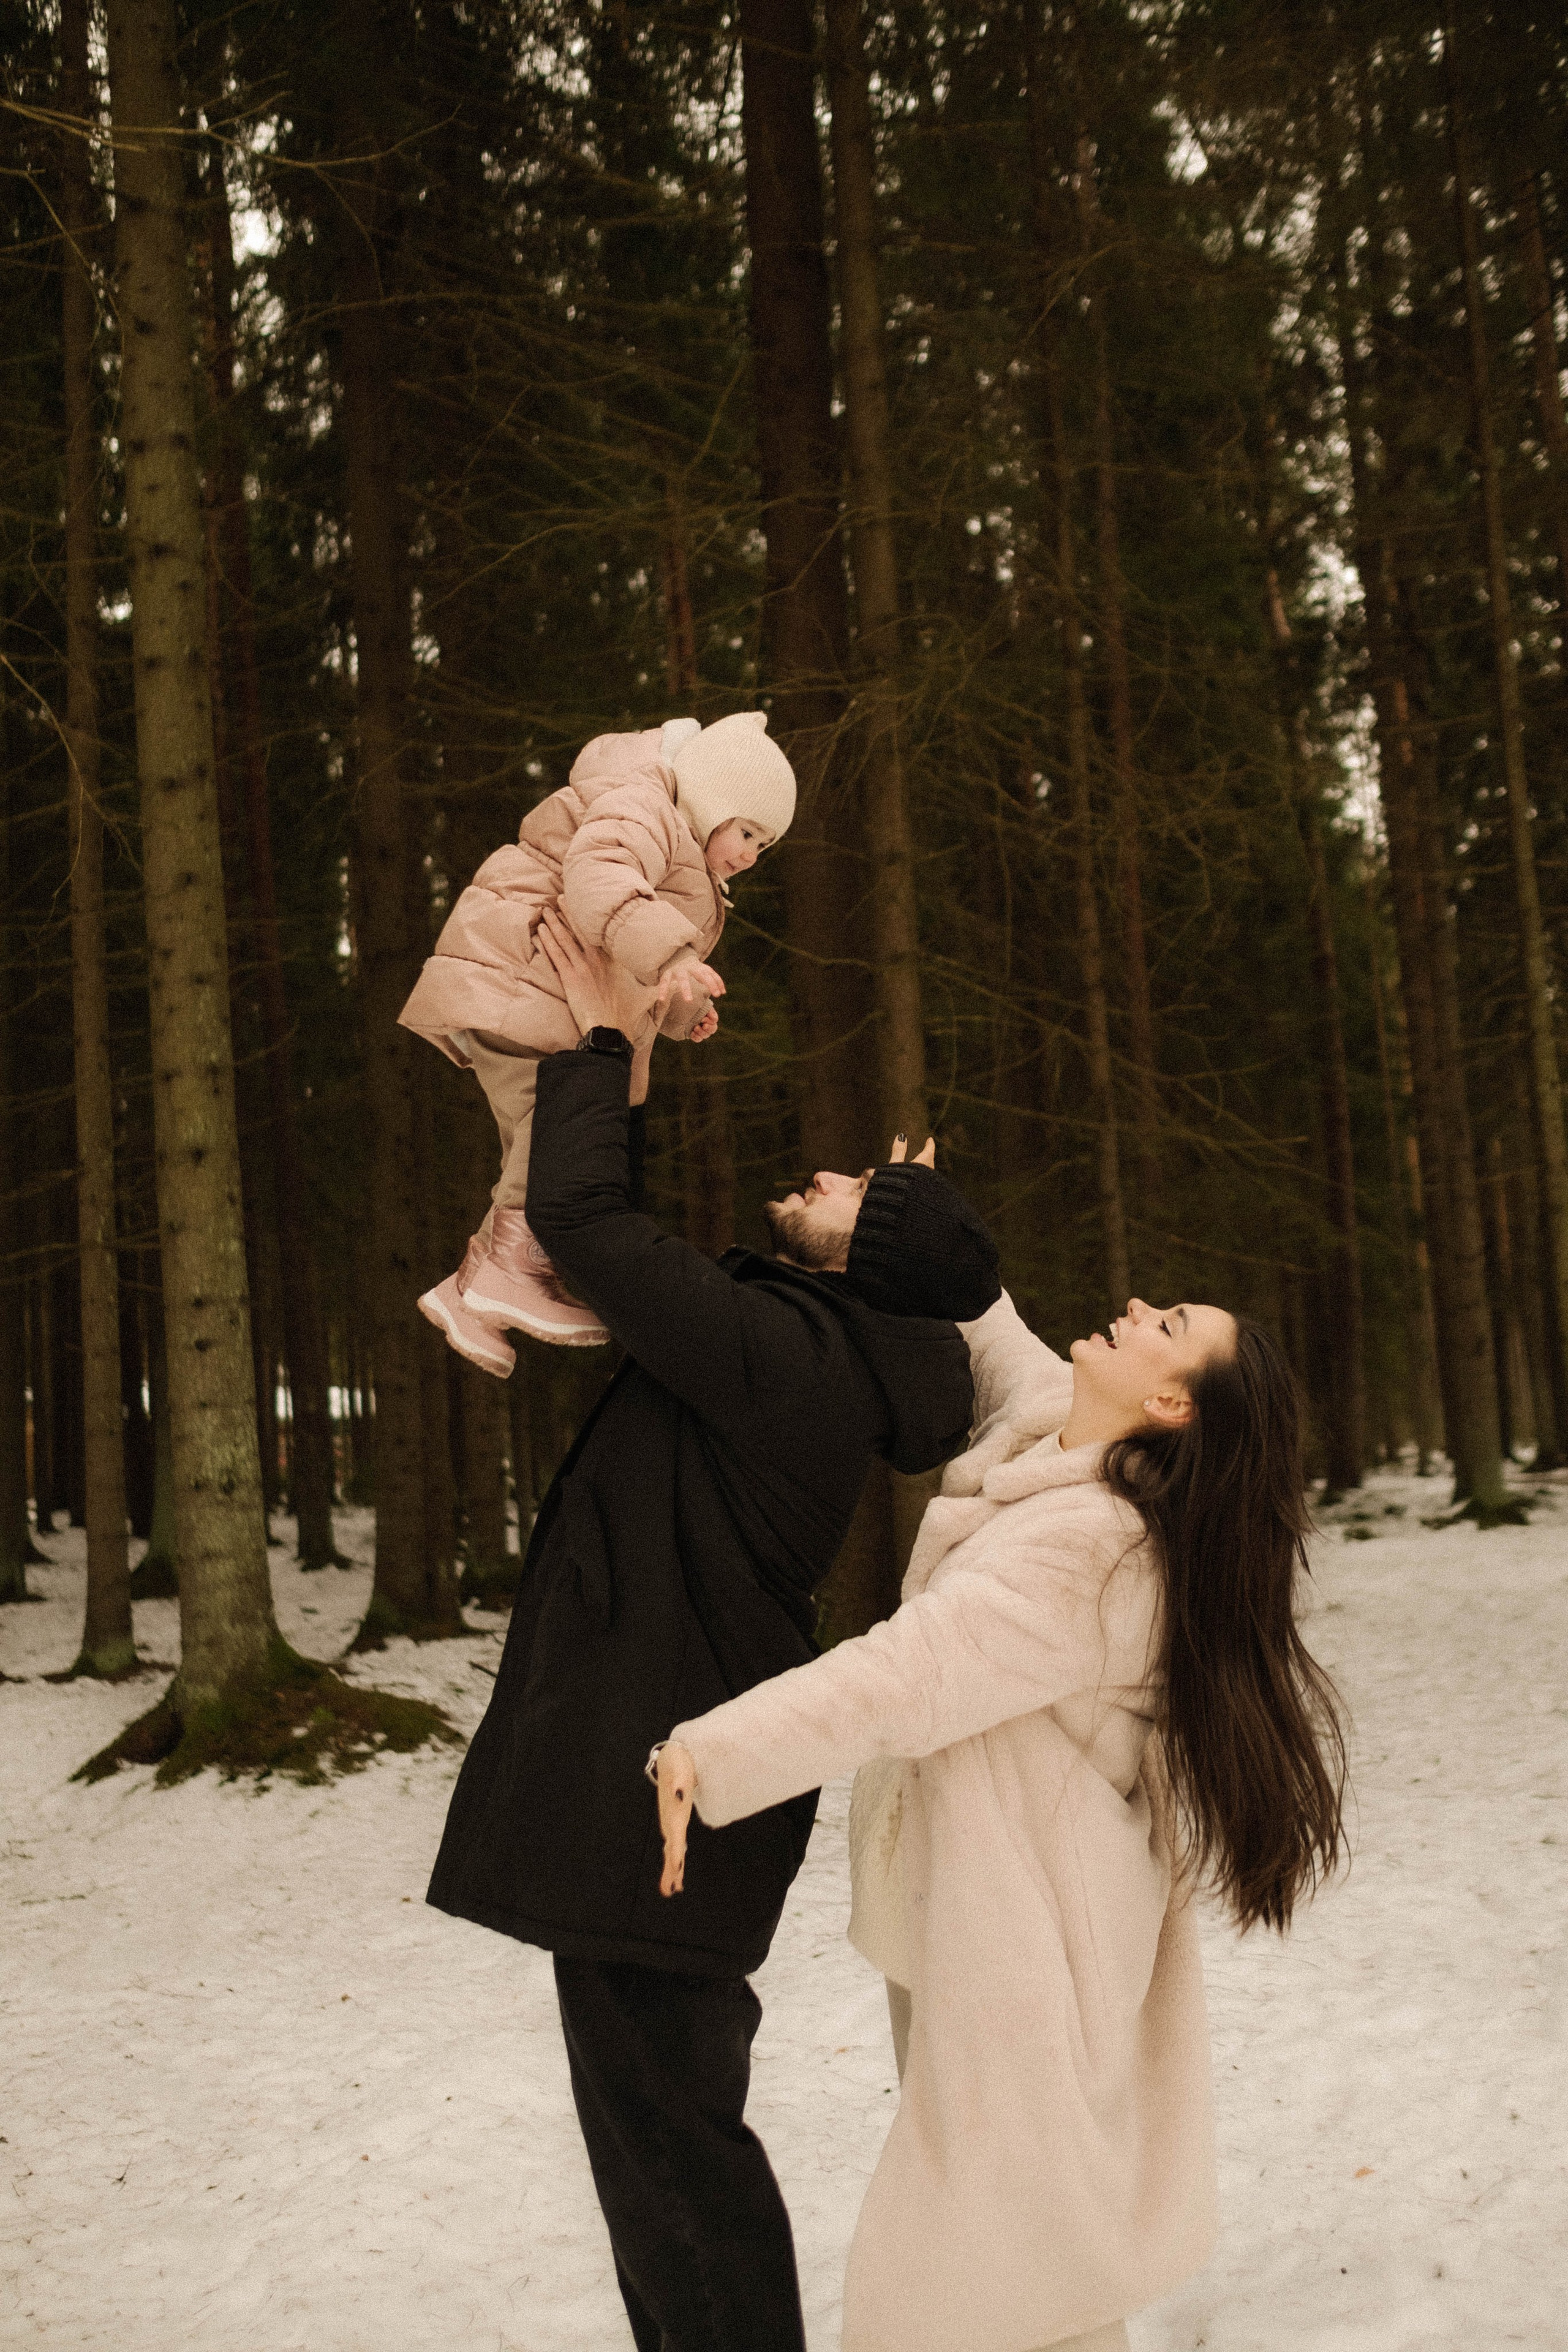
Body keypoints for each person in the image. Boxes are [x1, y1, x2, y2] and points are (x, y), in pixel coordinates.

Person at [424, 919, 1004, 2352]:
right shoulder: (827, 1348)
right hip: (672, 1788)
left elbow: (588, 1222)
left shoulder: (794, 1361)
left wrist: (602, 1022)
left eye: (853, 1186)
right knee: (663, 2148)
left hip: (666, 1799)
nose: (820, 1172)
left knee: (673, 2160)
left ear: (871, 1253)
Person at [654, 1284, 1349, 2352]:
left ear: (1169, 1403)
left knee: (979, 2278)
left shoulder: (1090, 1555)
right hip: (981, 1922)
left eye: (1167, 1327)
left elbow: (908, 1674)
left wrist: (712, 1752)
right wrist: (916, 1244)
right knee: (1031, 2263)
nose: (1136, 1305)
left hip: (1024, 1957)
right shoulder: (1079, 1458)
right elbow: (1011, 1355)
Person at [399, 709, 794, 1364]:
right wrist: (672, 957)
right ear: (711, 798)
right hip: (523, 978)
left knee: (533, 1141)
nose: (750, 855)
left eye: (765, 846)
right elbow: (600, 881)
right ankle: (514, 1270)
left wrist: (678, 1008)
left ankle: (469, 1295)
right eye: (747, 831)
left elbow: (630, 959)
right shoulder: (643, 806)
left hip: (542, 997)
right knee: (552, 1128)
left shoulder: (679, 848)